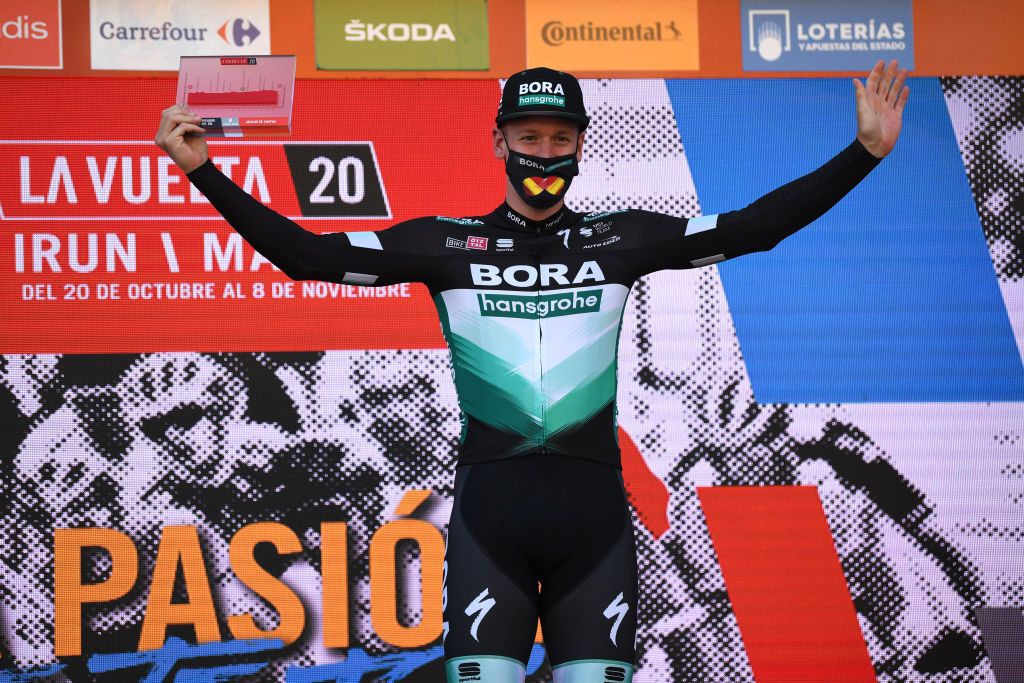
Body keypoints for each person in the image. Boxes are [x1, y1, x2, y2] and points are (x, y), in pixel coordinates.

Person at [156, 60, 909, 683]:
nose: (543, 153)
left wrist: (863, 155)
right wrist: (204, 173)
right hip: (493, 523)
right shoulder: (445, 245)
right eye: (528, 136)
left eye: (558, 138)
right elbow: (307, 256)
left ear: (580, 146)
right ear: (499, 141)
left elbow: (754, 230)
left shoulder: (623, 238)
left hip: (595, 528)